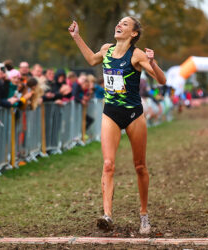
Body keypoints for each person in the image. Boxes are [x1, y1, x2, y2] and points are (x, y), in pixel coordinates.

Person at [68, 16, 166, 234]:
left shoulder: (137, 54)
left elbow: (161, 80)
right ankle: (107, 215)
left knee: (140, 166)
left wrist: (153, 63)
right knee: (108, 164)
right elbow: (92, 60)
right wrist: (76, 37)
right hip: (110, 113)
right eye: (118, 22)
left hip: (133, 114)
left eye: (124, 24)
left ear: (134, 33)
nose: (118, 25)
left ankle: (143, 214)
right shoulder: (106, 50)